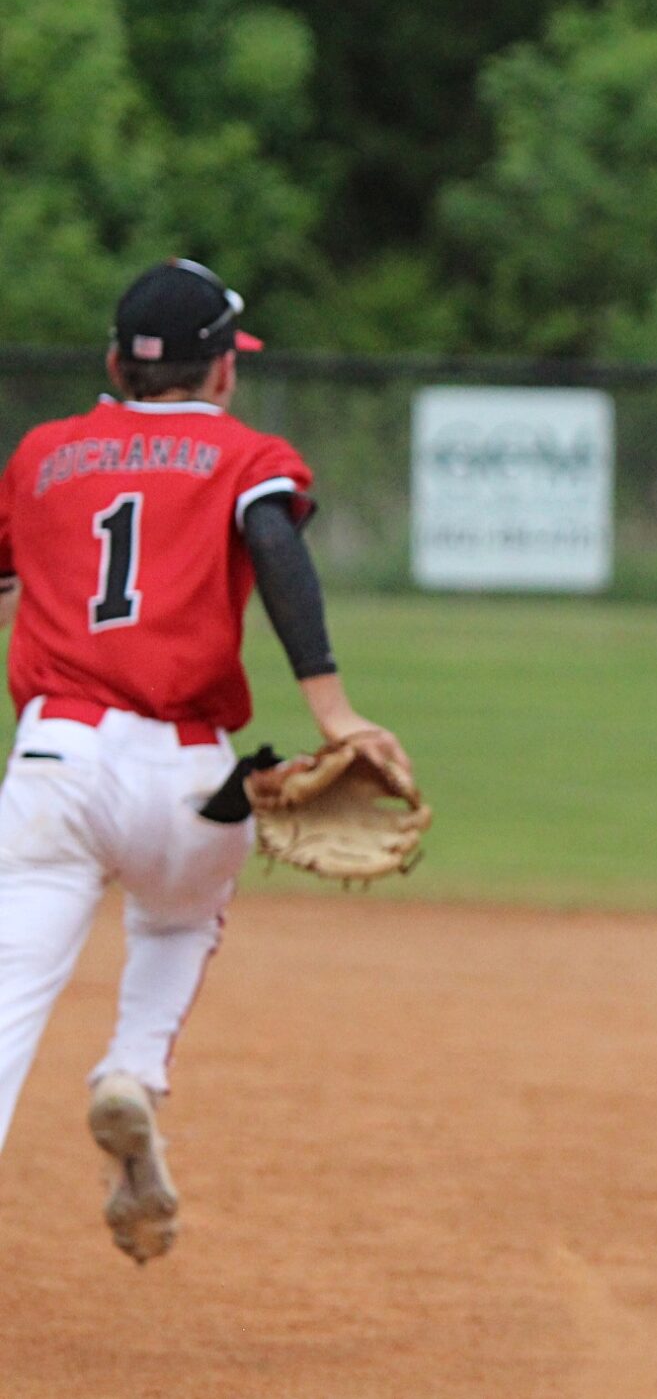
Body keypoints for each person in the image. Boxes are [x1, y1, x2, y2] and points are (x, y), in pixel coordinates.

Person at [0, 258, 409, 1263]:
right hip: (196, 773)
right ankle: (133, 1069)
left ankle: (118, 1079)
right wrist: (333, 709)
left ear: (111, 363)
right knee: (182, 913)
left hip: (55, 756)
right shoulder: (241, 454)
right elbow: (274, 541)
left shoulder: (41, 453)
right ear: (223, 371)